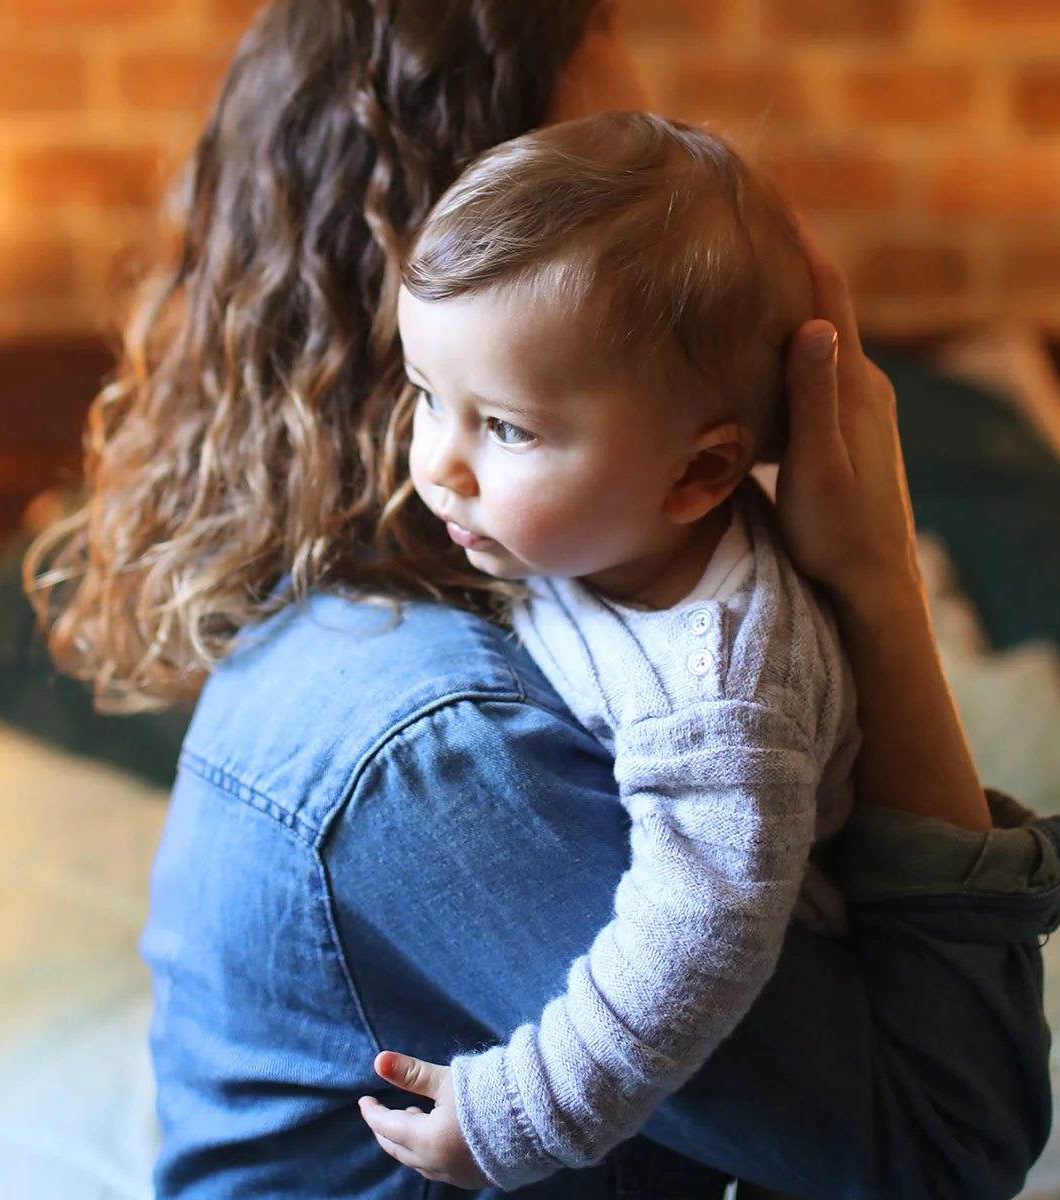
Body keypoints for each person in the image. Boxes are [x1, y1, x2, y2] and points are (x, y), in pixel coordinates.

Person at [30, 2, 1060, 1197]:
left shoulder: (481, 588)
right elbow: (944, 1145)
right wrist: (880, 582)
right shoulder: (447, 744)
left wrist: (868, 577)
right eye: (585, 167)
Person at [355, 111, 863, 1191]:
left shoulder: (723, 694)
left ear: (697, 476)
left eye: (506, 428)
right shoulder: (601, 522)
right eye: (427, 395)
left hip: (779, 1077)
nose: (438, 464)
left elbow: (702, 938)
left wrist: (516, 1114)